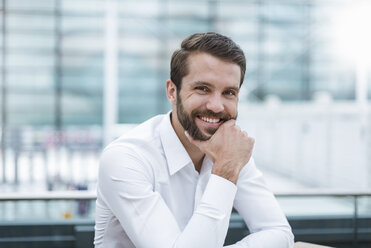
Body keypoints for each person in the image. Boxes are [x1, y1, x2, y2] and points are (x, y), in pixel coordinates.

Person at [94, 32, 294, 248]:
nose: (216, 106)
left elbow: (280, 233)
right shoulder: (126, 158)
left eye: (229, 92)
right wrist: (225, 172)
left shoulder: (231, 152)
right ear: (172, 92)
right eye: (202, 89)